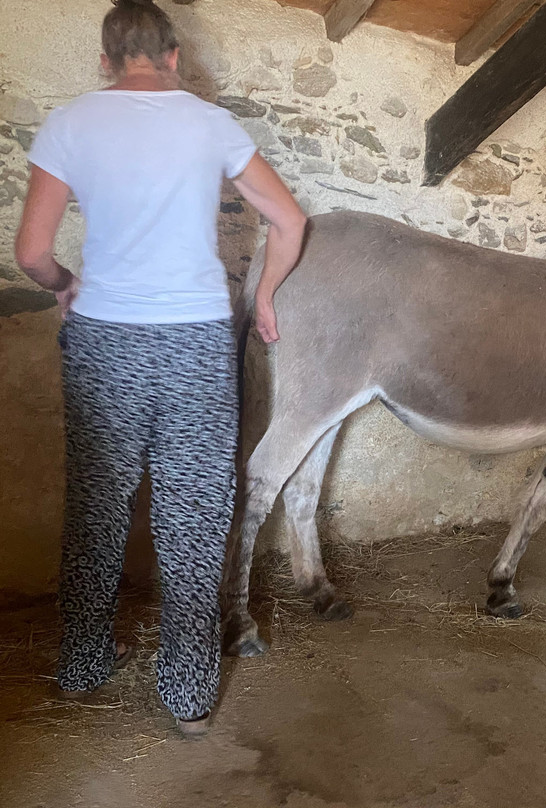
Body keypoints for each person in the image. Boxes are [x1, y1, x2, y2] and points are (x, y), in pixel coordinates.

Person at [13, 0, 307, 736]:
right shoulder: (210, 124)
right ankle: (187, 694)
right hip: (197, 344)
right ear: (174, 57)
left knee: (98, 508)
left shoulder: (69, 123)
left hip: (106, 340)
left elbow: (30, 253)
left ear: (105, 60)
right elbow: (290, 220)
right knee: (195, 518)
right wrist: (264, 295)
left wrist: (64, 286)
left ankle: (82, 665)